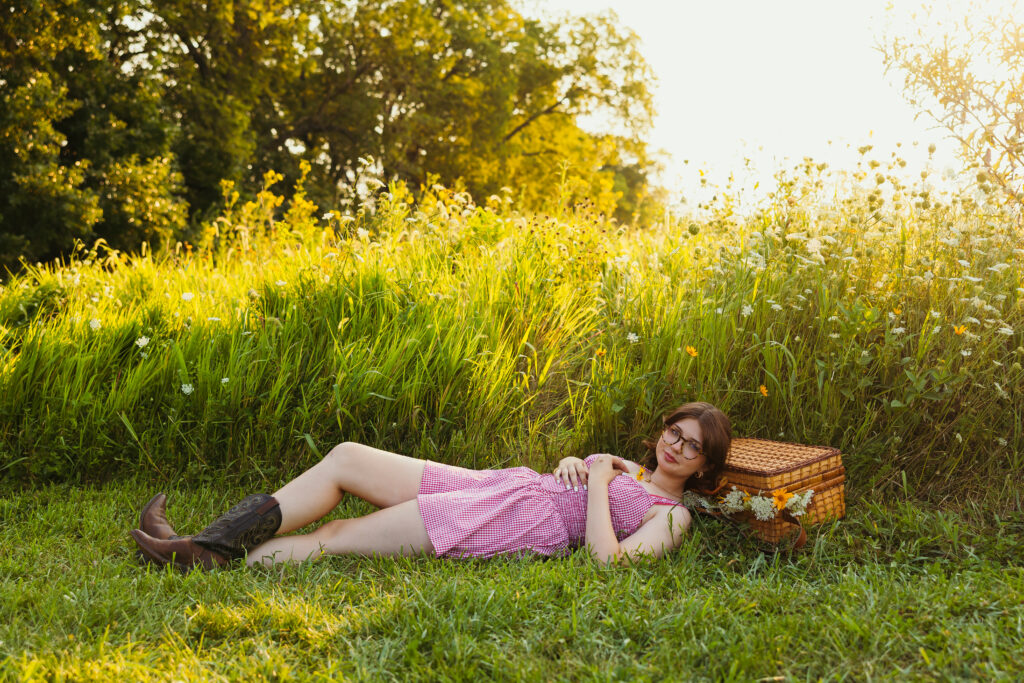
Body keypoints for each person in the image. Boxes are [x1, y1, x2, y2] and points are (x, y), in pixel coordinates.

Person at [130, 401, 731, 569]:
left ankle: (201, 555)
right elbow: (574, 476)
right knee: (346, 457)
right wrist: (582, 462)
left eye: (691, 446)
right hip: (500, 483)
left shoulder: (672, 515)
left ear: (704, 466)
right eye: (672, 433)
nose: (675, 446)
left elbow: (609, 562)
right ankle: (210, 540)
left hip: (512, 521)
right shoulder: (629, 466)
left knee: (338, 533)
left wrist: (596, 479)